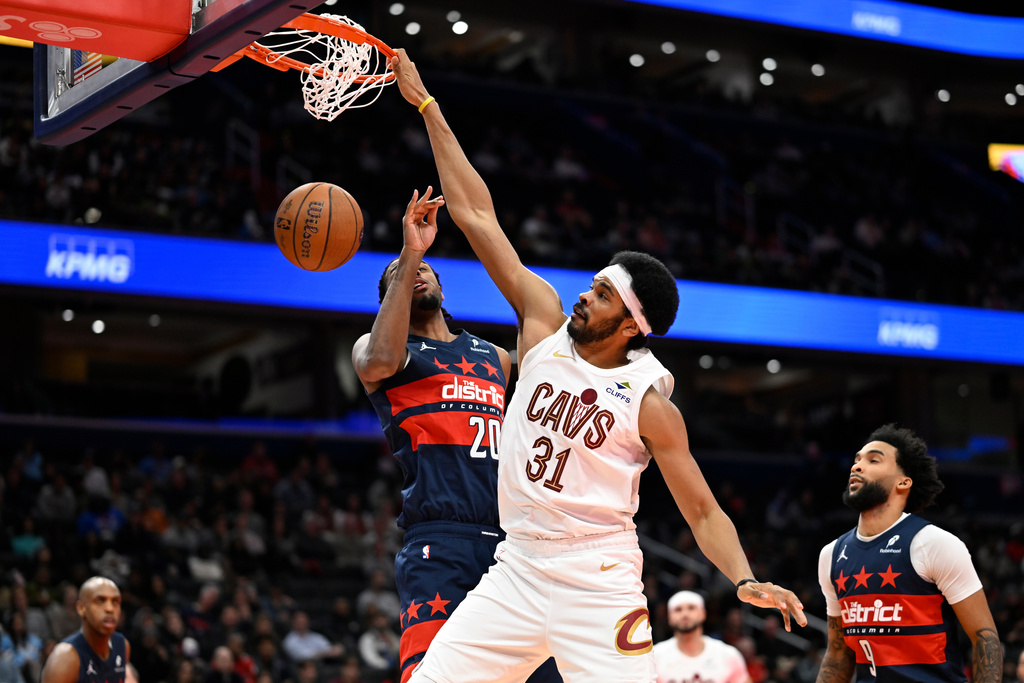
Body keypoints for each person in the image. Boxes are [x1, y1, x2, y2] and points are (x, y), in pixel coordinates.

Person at [389, 49, 806, 683]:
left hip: (599, 583)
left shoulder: (649, 403)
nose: (585, 294)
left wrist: (744, 579)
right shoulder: (542, 327)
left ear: (632, 323)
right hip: (518, 569)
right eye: (593, 284)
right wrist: (426, 104)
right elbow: (476, 214)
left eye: (604, 293)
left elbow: (701, 511)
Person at [352, 188, 560, 683]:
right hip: (440, 540)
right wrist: (409, 253)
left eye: (426, 269)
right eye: (400, 278)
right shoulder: (385, 352)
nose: (417, 273)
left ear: (443, 287)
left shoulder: (495, 357)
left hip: (514, 541)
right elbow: (378, 359)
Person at [814, 424, 1002, 683]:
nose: (856, 466)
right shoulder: (831, 555)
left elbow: (985, 639)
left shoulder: (933, 543)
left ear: (903, 482)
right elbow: (838, 654)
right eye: (856, 460)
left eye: (873, 460)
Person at [40, 576, 131, 683]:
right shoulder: (64, 658)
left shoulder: (122, 645)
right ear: (81, 608)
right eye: (100, 601)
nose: (110, 609)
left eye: (115, 601)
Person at [652, 591, 751, 683]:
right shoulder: (654, 657)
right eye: (678, 610)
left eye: (691, 608)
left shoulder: (728, 655)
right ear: (669, 617)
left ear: (703, 614)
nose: (685, 614)